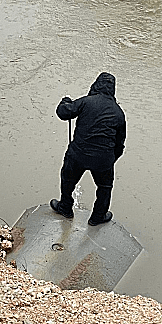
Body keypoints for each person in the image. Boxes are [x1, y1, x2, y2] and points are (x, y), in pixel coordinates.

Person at [50, 72, 126, 226]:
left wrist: (65, 102)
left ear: (95, 85)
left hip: (78, 154)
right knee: (104, 187)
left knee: (68, 179)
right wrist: (110, 160)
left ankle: (65, 207)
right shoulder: (118, 113)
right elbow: (120, 145)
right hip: (103, 159)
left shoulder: (86, 102)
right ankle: (98, 217)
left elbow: (63, 113)